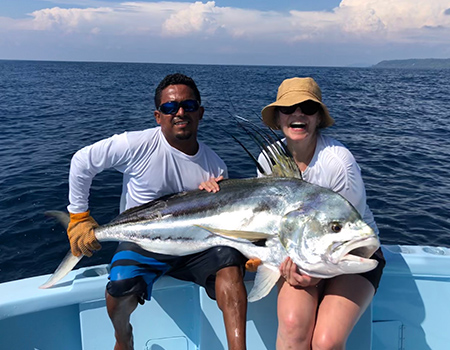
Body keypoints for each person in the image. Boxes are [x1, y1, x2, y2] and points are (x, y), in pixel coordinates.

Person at [65, 73, 248, 350]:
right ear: (157, 115)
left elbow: (222, 224)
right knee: (119, 285)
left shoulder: (216, 167)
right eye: (169, 107)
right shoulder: (135, 145)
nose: (180, 112)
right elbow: (82, 162)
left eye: (188, 105)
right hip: (142, 242)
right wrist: (79, 216)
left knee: (231, 260)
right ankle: (123, 338)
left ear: (200, 113)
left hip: (195, 245)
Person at [258, 77, 385, 350]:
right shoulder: (269, 159)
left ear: (318, 118)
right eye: (288, 108)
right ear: (279, 117)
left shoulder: (339, 162)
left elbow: (349, 231)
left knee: (326, 342)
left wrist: (316, 275)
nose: (298, 114)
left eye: (307, 107)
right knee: (293, 328)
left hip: (352, 256)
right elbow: (272, 228)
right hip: (298, 257)